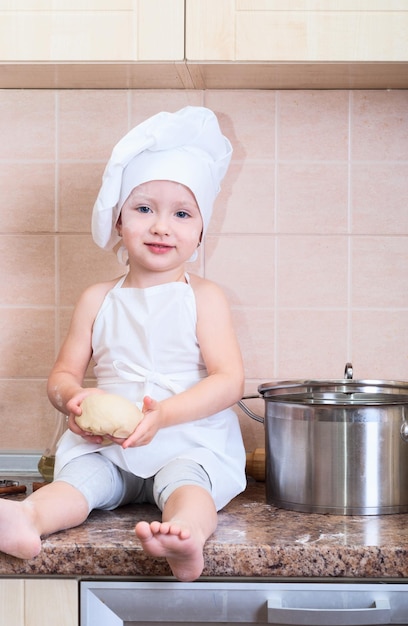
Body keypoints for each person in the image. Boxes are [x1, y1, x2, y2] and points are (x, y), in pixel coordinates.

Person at [0, 106, 246, 582]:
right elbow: (63, 375)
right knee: (77, 484)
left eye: (181, 213)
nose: (160, 226)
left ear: (200, 231)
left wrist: (165, 416)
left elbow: (229, 380)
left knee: (188, 485)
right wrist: (71, 401)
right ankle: (27, 520)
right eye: (143, 209)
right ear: (118, 221)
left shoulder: (205, 298)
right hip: (107, 445)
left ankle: (185, 537)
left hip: (186, 439)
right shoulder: (97, 298)